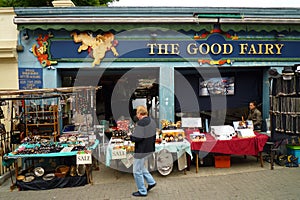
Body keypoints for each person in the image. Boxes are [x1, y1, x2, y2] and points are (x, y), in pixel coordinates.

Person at [130, 105, 156, 197]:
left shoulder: (141, 123)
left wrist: (130, 137)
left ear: (139, 113)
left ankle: (142, 191)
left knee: (136, 171)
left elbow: (137, 138)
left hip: (141, 150)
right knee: (141, 167)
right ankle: (151, 182)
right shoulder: (152, 121)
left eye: (137, 113)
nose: (136, 116)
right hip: (149, 149)